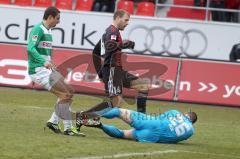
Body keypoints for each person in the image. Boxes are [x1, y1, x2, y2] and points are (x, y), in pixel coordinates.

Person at [27, 6, 84, 136]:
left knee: (70, 91)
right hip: (39, 70)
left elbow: (45, 52)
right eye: (57, 18)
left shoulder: (49, 31)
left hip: (47, 69)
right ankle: (67, 128)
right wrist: (43, 62)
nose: (58, 21)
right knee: (65, 94)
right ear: (50, 17)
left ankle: (54, 122)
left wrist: (51, 63)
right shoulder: (38, 29)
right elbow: (30, 48)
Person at [92, 10, 150, 114]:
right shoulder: (112, 31)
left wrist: (100, 74)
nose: (127, 23)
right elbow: (109, 46)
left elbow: (95, 52)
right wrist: (123, 45)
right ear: (118, 18)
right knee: (117, 104)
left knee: (143, 85)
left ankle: (142, 120)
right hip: (111, 71)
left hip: (117, 71)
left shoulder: (110, 32)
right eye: (126, 20)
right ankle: (83, 117)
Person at [83, 107, 197, 143]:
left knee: (119, 111)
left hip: (153, 123)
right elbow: (175, 139)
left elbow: (159, 118)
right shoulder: (191, 131)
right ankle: (100, 125)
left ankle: (89, 114)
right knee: (122, 134)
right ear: (192, 122)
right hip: (153, 137)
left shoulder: (176, 113)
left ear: (186, 114)